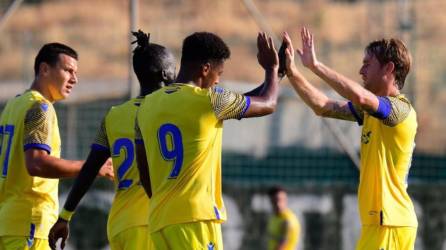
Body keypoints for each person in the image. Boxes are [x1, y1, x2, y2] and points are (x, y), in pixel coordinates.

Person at [135, 31, 280, 250]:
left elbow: (143, 168)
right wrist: (272, 69)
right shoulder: (211, 100)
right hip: (196, 218)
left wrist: (276, 77)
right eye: (218, 73)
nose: (218, 80)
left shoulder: (146, 107)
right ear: (205, 68)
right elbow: (268, 103)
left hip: (159, 220)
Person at [283, 27, 417, 250]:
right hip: (383, 223)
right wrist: (292, 71)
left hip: (390, 223)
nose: (361, 70)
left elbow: (360, 96)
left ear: (389, 68)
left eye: (367, 64)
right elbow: (323, 106)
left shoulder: (401, 110)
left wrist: (316, 66)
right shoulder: (370, 112)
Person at [47, 30, 176, 250]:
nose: (178, 74)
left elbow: (90, 168)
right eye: (175, 68)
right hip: (150, 222)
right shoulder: (171, 111)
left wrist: (65, 216)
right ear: (165, 74)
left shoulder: (114, 115)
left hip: (120, 224)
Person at [0, 43, 113, 250]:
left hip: (8, 221)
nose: (74, 79)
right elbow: (37, 163)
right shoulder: (40, 108)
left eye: (76, 73)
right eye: (68, 70)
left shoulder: (12, 106)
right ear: (44, 69)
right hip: (31, 223)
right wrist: (92, 167)